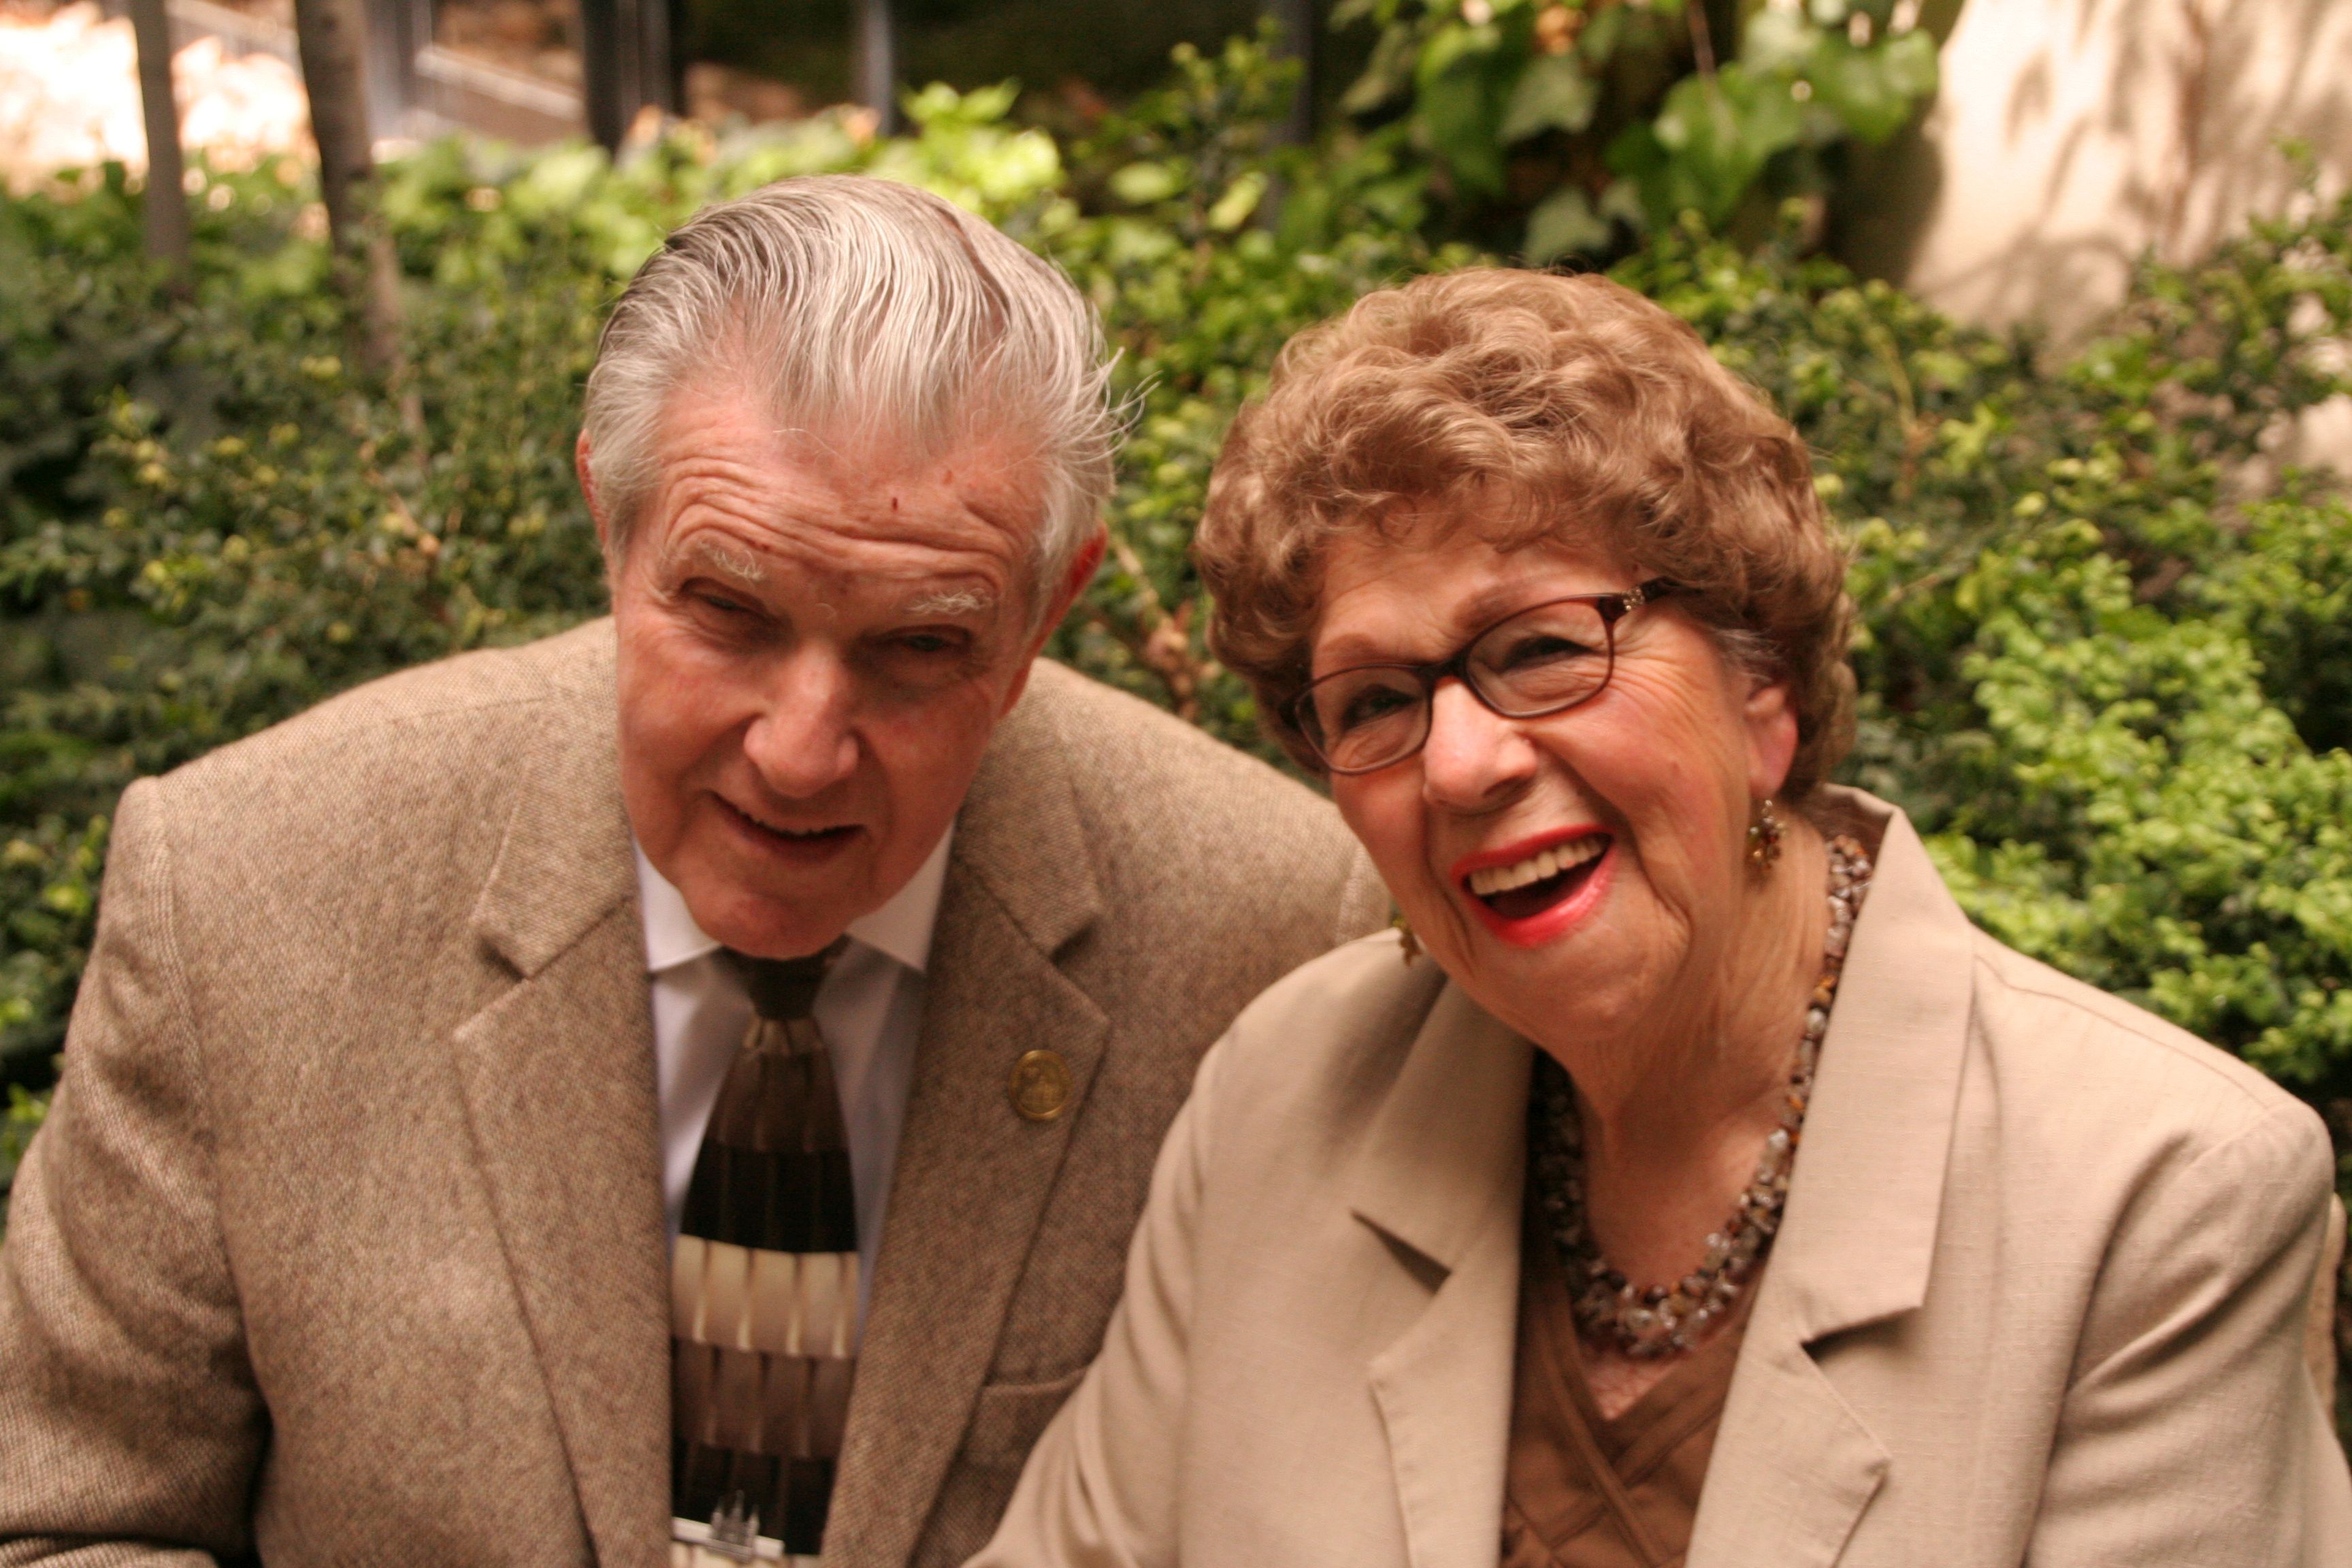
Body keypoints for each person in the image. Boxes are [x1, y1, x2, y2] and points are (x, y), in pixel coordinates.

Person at [0, 177, 1388, 1567]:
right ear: (613, 526)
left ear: (1047, 612)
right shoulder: (246, 885)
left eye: (919, 647)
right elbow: (67, 1519)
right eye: (729, 611)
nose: (799, 753)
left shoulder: (1271, 934)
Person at [971, 269, 2352, 1568]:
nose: (1459, 763)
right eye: (1377, 703)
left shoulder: (2159, 1200)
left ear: (1763, 693)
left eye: (1544, 649)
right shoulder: (1278, 1093)